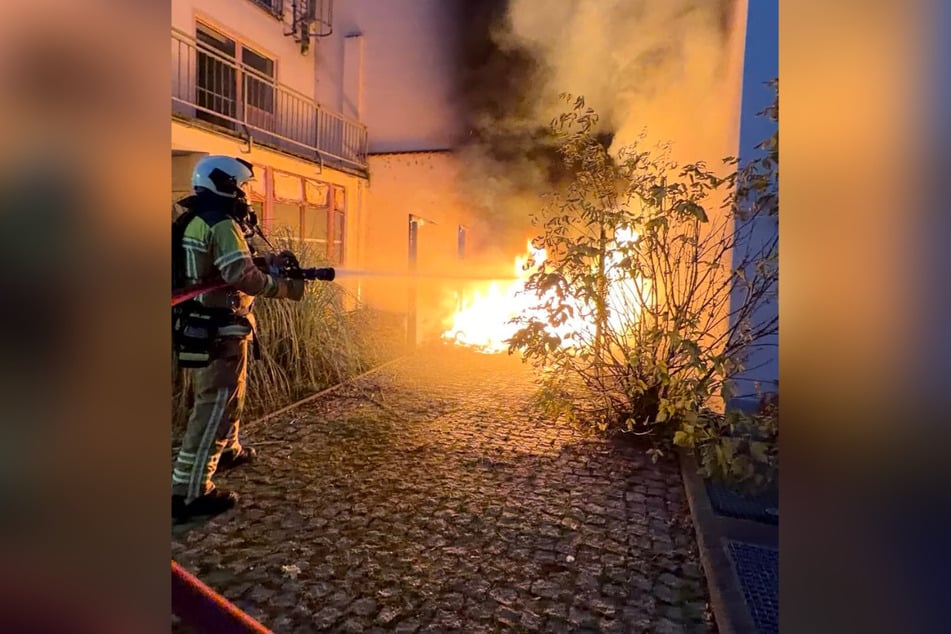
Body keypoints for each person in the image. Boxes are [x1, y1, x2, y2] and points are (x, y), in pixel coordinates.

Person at [171, 155, 304, 522]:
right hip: (220, 326)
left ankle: (226, 450)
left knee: (231, 396)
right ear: (226, 184)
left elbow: (223, 264)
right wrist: (283, 287)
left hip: (213, 324)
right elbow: (238, 274)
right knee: (215, 404)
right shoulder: (222, 222)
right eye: (242, 186)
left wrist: (268, 260)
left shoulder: (199, 218)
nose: (246, 194)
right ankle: (189, 492)